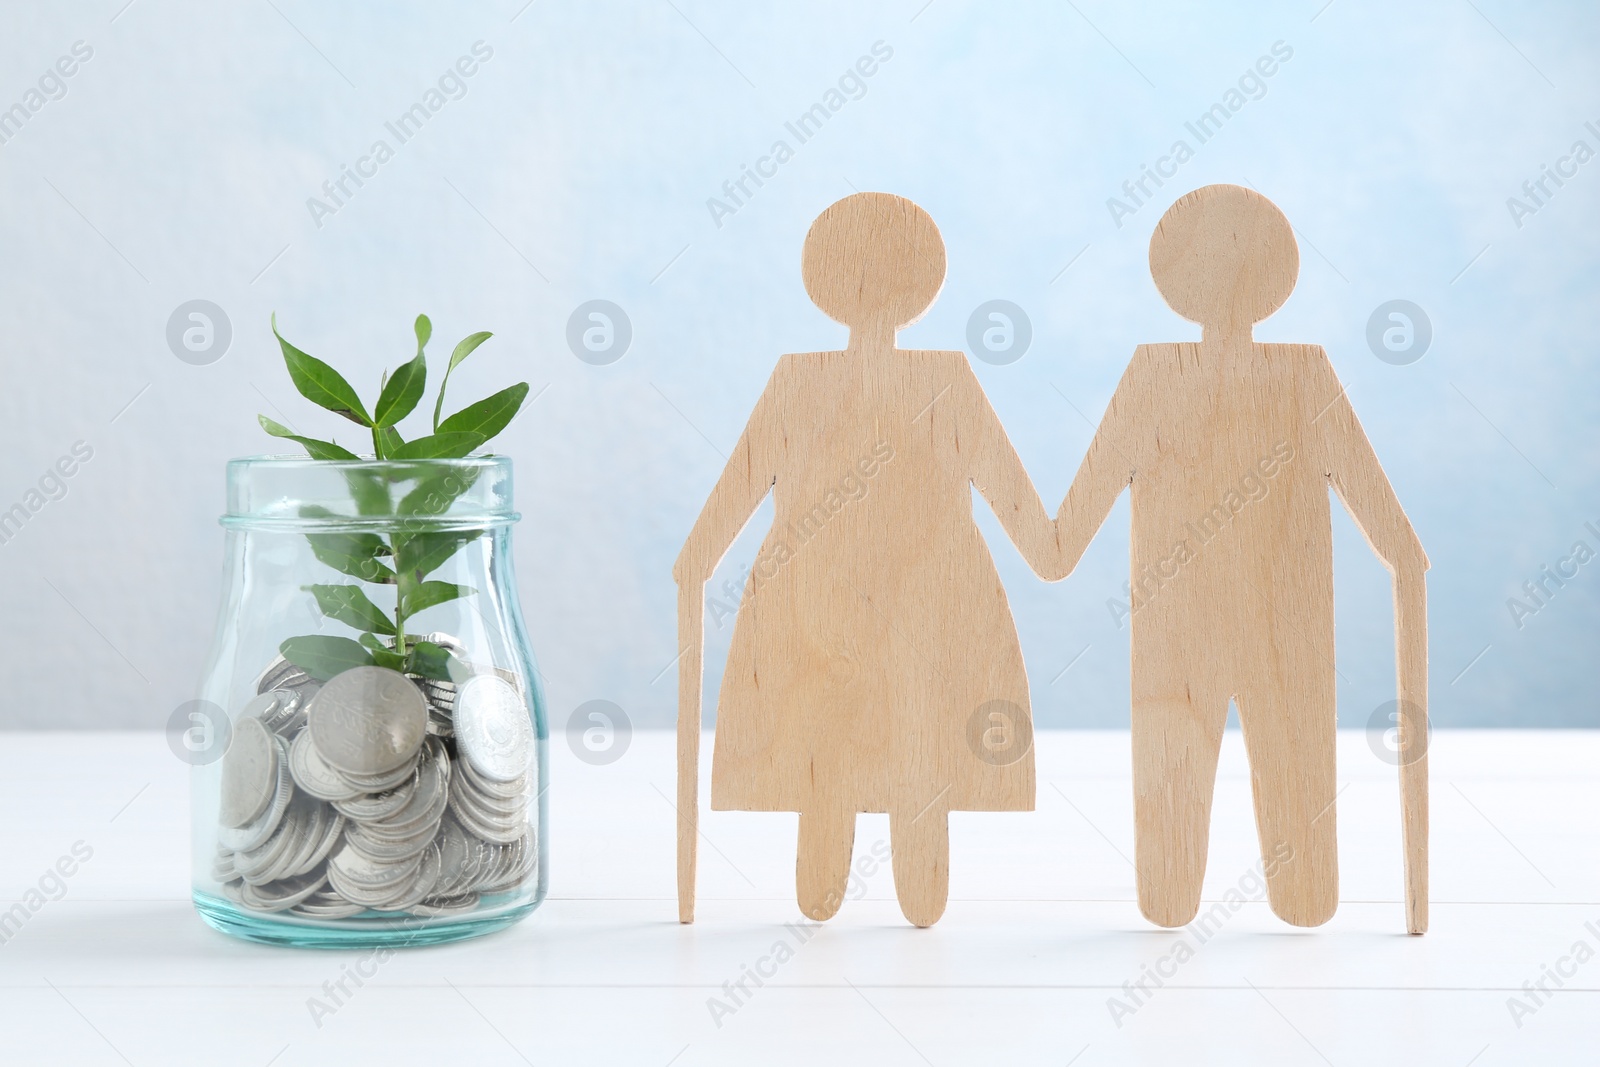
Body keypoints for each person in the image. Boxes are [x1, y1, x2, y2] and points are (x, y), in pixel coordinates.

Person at [674, 192, 1063, 927]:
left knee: (839, 734)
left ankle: (840, 880)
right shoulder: (938, 378)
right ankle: (907, 887)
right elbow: (1019, 507)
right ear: (924, 283)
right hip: (916, 599)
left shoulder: (807, 378)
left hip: (831, 595)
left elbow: (735, 495)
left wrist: (695, 560)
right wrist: (1056, 544)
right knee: (909, 734)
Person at [1054, 184, 1429, 928]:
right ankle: (1297, 894)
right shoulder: (1299, 374)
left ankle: (1237, 897)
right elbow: (1386, 521)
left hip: (1202, 627)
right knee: (1288, 778)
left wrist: (1027, 534)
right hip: (1264, 631)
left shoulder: (1164, 374)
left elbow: (1070, 529)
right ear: (1280, 277)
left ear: (1170, 280)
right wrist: (1406, 561)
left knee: (1188, 777)